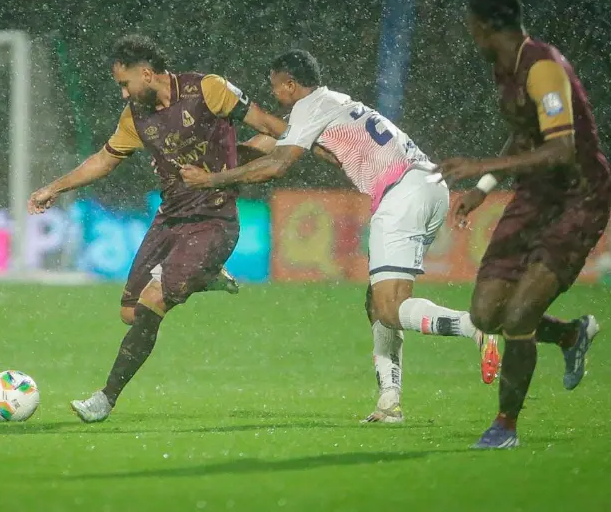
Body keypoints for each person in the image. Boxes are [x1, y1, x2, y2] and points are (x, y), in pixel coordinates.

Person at [181, 49, 500, 423]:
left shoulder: (310, 108)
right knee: (377, 302)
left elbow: (277, 164)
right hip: (429, 186)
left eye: (276, 87)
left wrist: (211, 180)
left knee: (390, 307)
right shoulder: (331, 104)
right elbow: (270, 140)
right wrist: (217, 156)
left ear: (290, 84)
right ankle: (389, 402)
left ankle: (474, 326)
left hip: (402, 192)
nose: (275, 95)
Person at [28, 34, 287, 422]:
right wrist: (54, 187)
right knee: (130, 313)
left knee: (152, 304)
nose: (122, 93)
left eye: (124, 83)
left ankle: (105, 399)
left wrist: (309, 143)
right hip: (170, 218)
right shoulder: (135, 116)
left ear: (147, 74)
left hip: (214, 220)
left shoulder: (208, 90)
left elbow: (269, 126)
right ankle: (205, 276)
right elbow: (104, 160)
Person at [435, 0, 609, 448]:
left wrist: (483, 166)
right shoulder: (504, 68)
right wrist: (483, 187)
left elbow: (561, 147)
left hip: (579, 197)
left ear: (487, 25)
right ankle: (572, 335)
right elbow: (524, 136)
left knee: (520, 314)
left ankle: (505, 426)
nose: (468, 33)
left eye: (471, 24)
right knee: (486, 313)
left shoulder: (544, 68)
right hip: (534, 196)